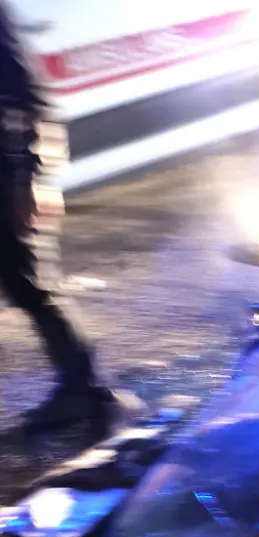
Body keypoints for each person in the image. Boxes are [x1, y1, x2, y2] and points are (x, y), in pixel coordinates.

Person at [0, 1, 135, 433]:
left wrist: (29, 179)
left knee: (31, 284)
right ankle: (84, 388)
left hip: (7, 171)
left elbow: (27, 95)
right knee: (25, 284)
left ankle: (87, 389)